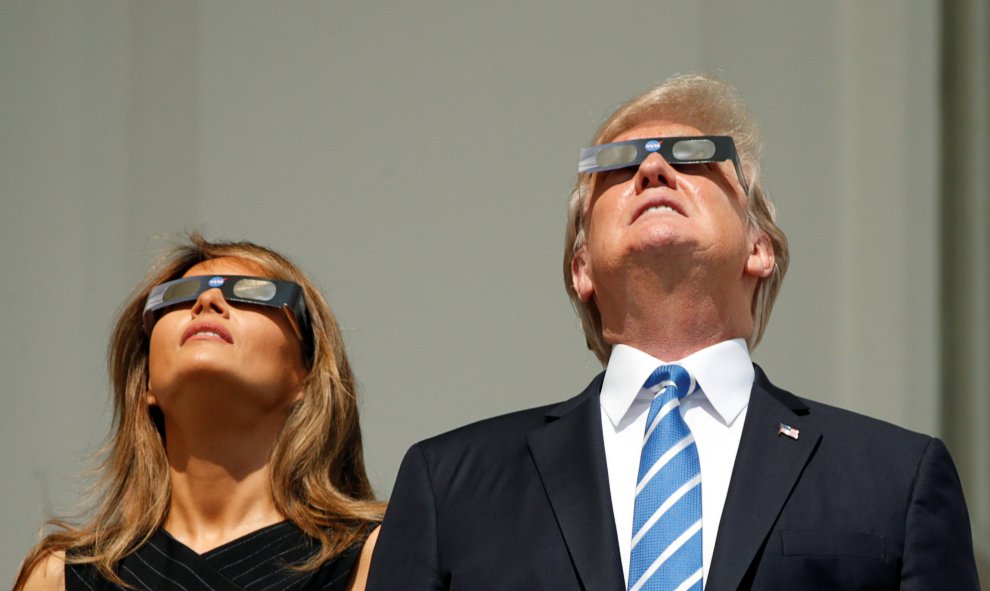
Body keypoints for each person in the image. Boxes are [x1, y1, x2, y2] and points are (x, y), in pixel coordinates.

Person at [366, 74, 980, 590]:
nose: (654, 168)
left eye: (696, 156)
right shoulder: (452, 486)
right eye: (617, 165)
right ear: (580, 267)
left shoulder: (895, 478)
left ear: (759, 247)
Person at [16, 234, 383, 591]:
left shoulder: (377, 556)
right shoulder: (62, 578)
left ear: (306, 374)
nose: (208, 300)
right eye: (175, 298)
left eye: (251, 293)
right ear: (147, 384)